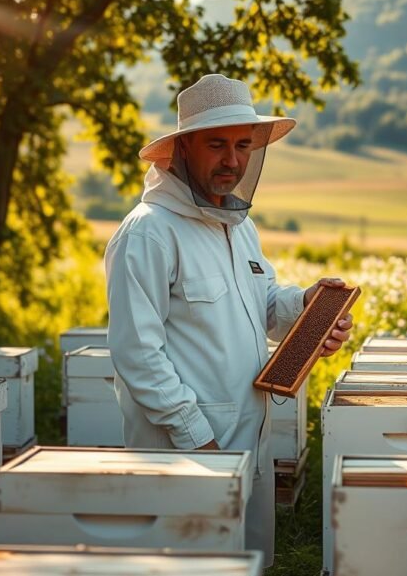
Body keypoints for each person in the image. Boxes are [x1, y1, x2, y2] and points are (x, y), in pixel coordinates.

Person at [103, 73, 353, 566]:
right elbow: (137, 355)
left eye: (242, 145)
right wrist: (199, 437)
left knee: (246, 561)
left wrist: (307, 309)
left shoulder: (240, 228)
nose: (233, 160)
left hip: (248, 440)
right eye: (216, 144)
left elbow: (262, 307)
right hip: (187, 450)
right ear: (182, 149)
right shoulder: (149, 233)